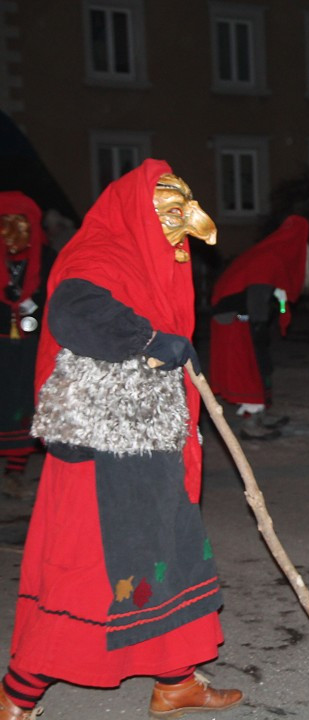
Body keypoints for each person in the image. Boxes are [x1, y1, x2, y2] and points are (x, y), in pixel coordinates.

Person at [0, 160, 243, 718]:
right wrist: (152, 340)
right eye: (166, 216)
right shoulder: (101, 253)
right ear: (138, 212)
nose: (175, 232)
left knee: (170, 557)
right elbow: (74, 311)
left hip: (149, 445)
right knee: (92, 571)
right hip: (103, 457)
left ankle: (175, 681)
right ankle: (19, 693)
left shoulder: (144, 258)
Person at [209, 214, 309, 440]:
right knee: (249, 371)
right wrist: (258, 327)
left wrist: (281, 314)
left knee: (259, 368)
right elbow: (258, 295)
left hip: (242, 318)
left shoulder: (272, 256)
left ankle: (259, 414)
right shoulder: (271, 259)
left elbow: (279, 298)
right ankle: (250, 424)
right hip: (236, 319)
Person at [0, 192, 54, 499]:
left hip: (30, 347)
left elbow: (59, 290)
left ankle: (15, 471)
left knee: (25, 405)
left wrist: (36, 303)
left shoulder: (46, 258)